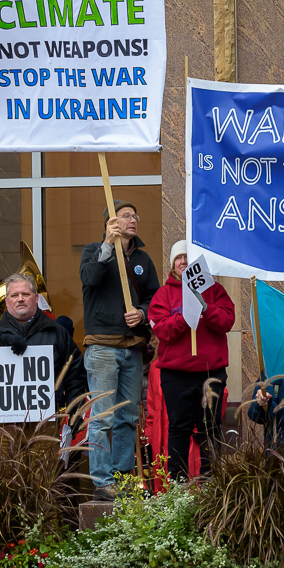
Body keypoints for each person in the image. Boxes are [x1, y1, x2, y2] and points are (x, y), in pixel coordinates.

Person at [80, 199, 159, 500]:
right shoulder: (93, 252)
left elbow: (154, 297)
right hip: (103, 346)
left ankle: (124, 478)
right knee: (103, 416)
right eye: (125, 216)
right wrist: (106, 245)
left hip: (133, 347)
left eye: (135, 215)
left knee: (128, 416)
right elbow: (91, 278)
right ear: (110, 224)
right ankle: (102, 481)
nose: (133, 220)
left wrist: (141, 312)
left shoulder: (143, 259)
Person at [146, 243, 235, 479]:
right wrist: (184, 318)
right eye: (179, 258)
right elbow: (162, 330)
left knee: (210, 426)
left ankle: (211, 478)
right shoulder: (163, 295)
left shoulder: (215, 291)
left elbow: (227, 321)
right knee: (178, 428)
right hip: (177, 375)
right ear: (172, 263)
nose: (184, 262)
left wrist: (206, 308)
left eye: (188, 257)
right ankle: (177, 482)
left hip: (211, 373)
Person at [0, 273, 90, 420]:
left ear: (36, 299)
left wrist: (74, 415)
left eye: (25, 294)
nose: (20, 299)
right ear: (7, 302)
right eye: (14, 295)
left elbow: (75, 377)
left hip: (47, 422)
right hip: (1, 424)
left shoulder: (57, 333)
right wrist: (2, 339)